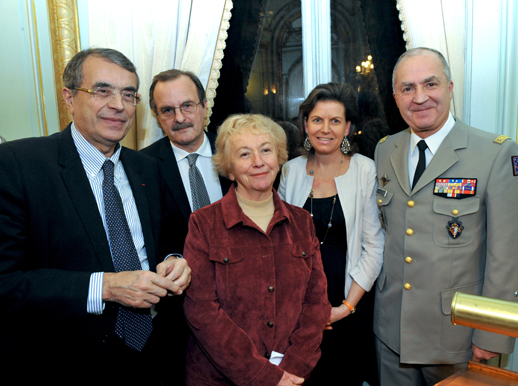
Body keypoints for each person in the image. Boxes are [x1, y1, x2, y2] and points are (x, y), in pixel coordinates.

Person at [0, 48, 191, 386]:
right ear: (69, 97)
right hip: (68, 362)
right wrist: (104, 286)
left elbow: (168, 242)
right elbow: (6, 282)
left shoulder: (147, 168)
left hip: (157, 354)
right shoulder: (18, 165)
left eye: (128, 94)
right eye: (102, 90)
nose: (118, 104)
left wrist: (175, 260)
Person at [374, 47, 518, 385]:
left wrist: (492, 334)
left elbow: (508, 257)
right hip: (391, 331)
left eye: (430, 84)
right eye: (407, 88)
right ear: (396, 96)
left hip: (457, 336)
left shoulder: (495, 153)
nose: (420, 98)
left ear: (449, 87)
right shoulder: (386, 149)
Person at [183, 114, 331, 386]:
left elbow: (316, 303)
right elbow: (201, 311)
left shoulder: (301, 222)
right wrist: (265, 377)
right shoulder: (204, 224)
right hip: (220, 378)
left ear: (279, 158)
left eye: (266, 150)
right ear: (229, 168)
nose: (258, 162)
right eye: (244, 154)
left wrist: (293, 369)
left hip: (293, 377)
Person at [279, 82, 384, 385]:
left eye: (335, 120)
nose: (325, 129)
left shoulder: (365, 170)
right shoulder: (290, 170)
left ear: (348, 127)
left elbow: (374, 247)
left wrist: (344, 308)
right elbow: (282, 244)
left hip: (349, 304)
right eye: (317, 120)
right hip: (299, 307)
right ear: (305, 124)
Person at [141, 69, 231, 255]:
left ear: (204, 106)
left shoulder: (234, 151)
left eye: (187, 106)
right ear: (157, 116)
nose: (180, 118)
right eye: (167, 110)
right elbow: (148, 235)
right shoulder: (144, 165)